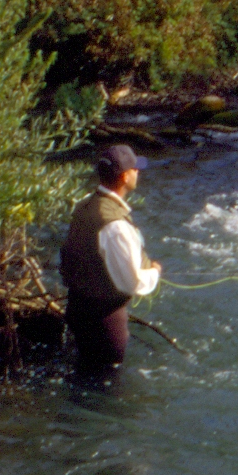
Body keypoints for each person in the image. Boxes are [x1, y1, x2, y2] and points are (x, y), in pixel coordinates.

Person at [60, 144, 161, 370]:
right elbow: (133, 282)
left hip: (77, 309)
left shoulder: (85, 204)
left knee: (83, 375)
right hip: (104, 323)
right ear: (125, 176)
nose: (138, 172)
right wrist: (154, 272)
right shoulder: (115, 226)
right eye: (135, 169)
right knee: (106, 384)